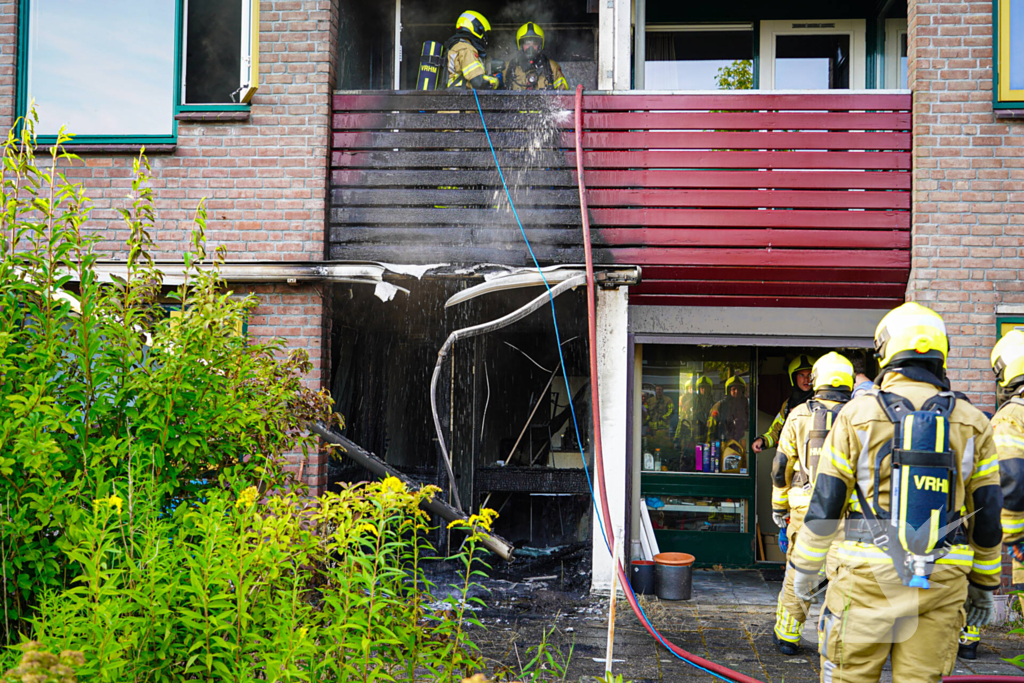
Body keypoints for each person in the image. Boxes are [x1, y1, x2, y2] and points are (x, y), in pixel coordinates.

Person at [789, 302, 1002, 683]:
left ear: (885, 352)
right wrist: (984, 585)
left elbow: (825, 504)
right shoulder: (974, 422)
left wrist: (805, 570)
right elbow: (987, 514)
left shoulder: (857, 415)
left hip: (865, 579)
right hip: (940, 580)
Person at [771, 352, 854, 655]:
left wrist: (779, 510)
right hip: (846, 515)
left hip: (805, 512)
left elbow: (781, 467)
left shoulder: (798, 415)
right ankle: (830, 642)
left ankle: (788, 636)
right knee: (841, 579)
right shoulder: (861, 415)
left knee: (799, 572)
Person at [753, 355, 816, 454]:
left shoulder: (821, 401)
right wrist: (762, 441)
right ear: (793, 377)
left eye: (809, 375)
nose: (806, 380)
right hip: (791, 460)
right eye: (801, 375)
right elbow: (777, 430)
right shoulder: (787, 404)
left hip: (813, 458)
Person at [503, 22, 568, 91]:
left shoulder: (552, 68)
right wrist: (493, 81)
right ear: (521, 45)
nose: (530, 48)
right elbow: (494, 86)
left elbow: (564, 97)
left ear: (540, 45)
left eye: (534, 43)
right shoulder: (507, 68)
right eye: (527, 43)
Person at [445, 11, 501, 89]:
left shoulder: (456, 46)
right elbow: (477, 82)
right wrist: (495, 81)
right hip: (461, 97)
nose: (483, 38)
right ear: (476, 28)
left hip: (455, 94)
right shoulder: (466, 48)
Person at [709, 375, 749, 443]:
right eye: (734, 389)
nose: (736, 391)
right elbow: (711, 427)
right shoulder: (720, 406)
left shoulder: (746, 406)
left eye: (739, 389)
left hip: (742, 441)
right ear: (728, 390)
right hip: (723, 442)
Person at [644, 384, 675, 457]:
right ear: (655, 390)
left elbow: (672, 411)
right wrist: (648, 418)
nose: (658, 391)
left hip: (663, 428)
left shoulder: (668, 400)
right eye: (657, 390)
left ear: (662, 391)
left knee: (664, 447)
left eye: (660, 390)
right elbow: (644, 411)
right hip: (652, 429)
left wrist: (664, 417)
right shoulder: (650, 400)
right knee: (652, 446)